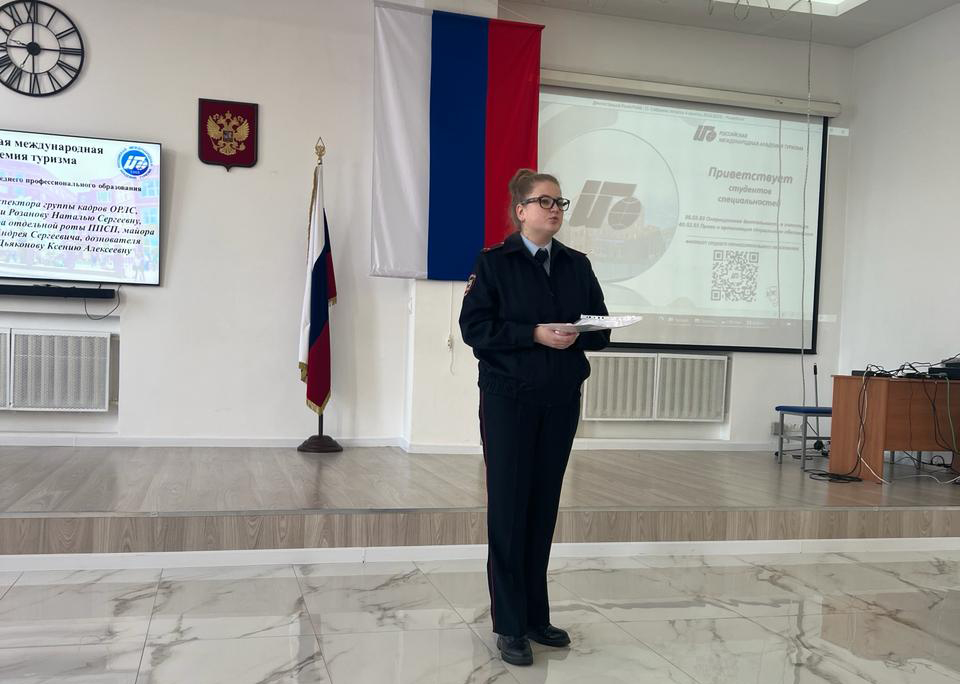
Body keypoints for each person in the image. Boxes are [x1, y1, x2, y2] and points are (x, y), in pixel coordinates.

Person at [459, 168, 611, 666]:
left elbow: (599, 328)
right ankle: (509, 624)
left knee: (543, 507)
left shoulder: (576, 264)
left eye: (560, 202)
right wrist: (534, 334)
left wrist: (580, 332)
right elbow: (475, 329)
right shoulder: (494, 263)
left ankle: (535, 616)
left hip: (560, 399)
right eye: (544, 201)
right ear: (520, 210)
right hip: (508, 400)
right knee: (509, 508)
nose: (554, 209)